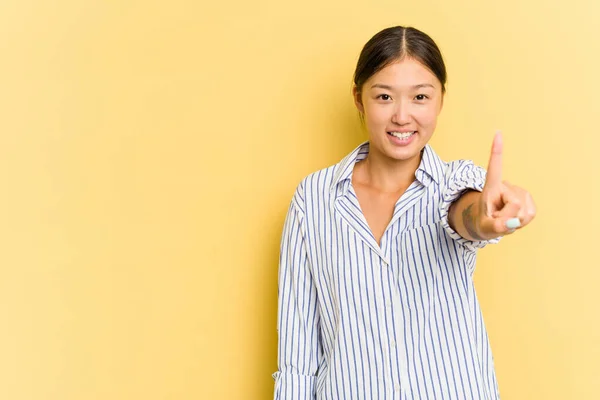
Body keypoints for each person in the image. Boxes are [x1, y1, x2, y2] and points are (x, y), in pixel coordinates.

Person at [272, 26, 536, 400]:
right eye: (384, 96)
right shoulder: (313, 200)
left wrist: (488, 217)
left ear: (440, 100)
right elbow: (297, 357)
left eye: (420, 97)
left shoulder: (453, 184)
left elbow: (467, 216)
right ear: (359, 99)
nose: (402, 116)